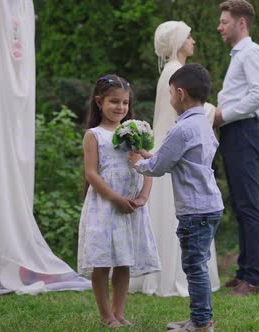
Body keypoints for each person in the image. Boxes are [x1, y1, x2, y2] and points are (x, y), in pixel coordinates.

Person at [129, 64, 223, 332]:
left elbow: (159, 167)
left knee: (194, 267)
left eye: (170, 93)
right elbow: (172, 159)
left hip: (195, 210)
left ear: (180, 94)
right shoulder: (202, 124)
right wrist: (151, 157)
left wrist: (137, 163)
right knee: (197, 264)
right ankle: (198, 318)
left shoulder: (181, 129)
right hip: (209, 206)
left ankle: (202, 323)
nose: (170, 99)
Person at [77, 75, 161, 329]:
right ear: (99, 102)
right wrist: (115, 198)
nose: (120, 107)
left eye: (125, 102)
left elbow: (146, 166)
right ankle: (106, 315)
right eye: (114, 101)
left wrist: (143, 196)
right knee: (102, 262)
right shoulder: (94, 135)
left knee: (124, 260)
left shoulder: (131, 133)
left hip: (130, 207)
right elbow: (91, 173)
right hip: (105, 205)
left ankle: (119, 312)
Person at [213, 0, 259, 296]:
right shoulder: (239, 56)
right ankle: (243, 273)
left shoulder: (251, 53)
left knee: (248, 206)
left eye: (224, 21)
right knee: (240, 205)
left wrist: (223, 114)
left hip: (243, 132)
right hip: (236, 133)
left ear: (241, 23)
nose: (219, 27)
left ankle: (253, 279)